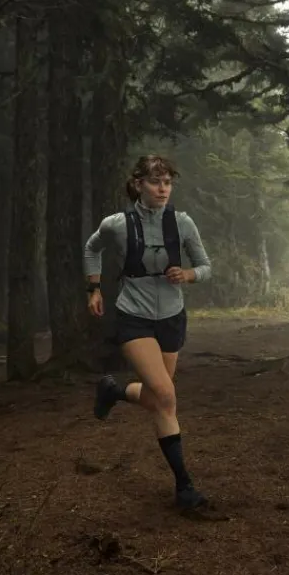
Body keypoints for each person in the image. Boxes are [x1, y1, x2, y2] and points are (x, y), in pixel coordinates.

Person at [83, 154, 212, 513]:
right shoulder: (116, 224)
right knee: (167, 397)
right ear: (138, 184)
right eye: (155, 182)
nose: (163, 189)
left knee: (158, 399)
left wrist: (188, 275)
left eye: (168, 182)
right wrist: (94, 289)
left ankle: (114, 391)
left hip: (171, 317)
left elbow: (206, 267)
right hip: (133, 316)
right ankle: (184, 487)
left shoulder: (182, 223)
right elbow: (92, 248)